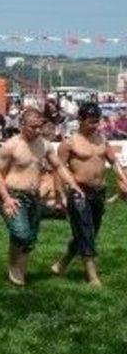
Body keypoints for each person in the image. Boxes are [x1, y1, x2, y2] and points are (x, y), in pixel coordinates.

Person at [0, 107, 83, 286]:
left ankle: (19, 274)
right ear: (22, 125)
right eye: (33, 127)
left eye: (40, 126)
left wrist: (73, 185)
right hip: (14, 195)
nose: (38, 130)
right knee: (21, 234)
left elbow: (58, 166)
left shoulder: (45, 145)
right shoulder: (11, 145)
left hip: (34, 197)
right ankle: (13, 265)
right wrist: (6, 198)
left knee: (30, 239)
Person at [50, 102, 127, 286]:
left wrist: (124, 180)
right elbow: (58, 170)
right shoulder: (69, 143)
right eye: (91, 121)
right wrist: (60, 195)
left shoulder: (102, 140)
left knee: (89, 232)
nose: (95, 125)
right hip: (79, 192)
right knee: (85, 231)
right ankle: (92, 276)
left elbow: (114, 162)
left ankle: (61, 264)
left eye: (97, 121)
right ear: (80, 120)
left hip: (99, 192)